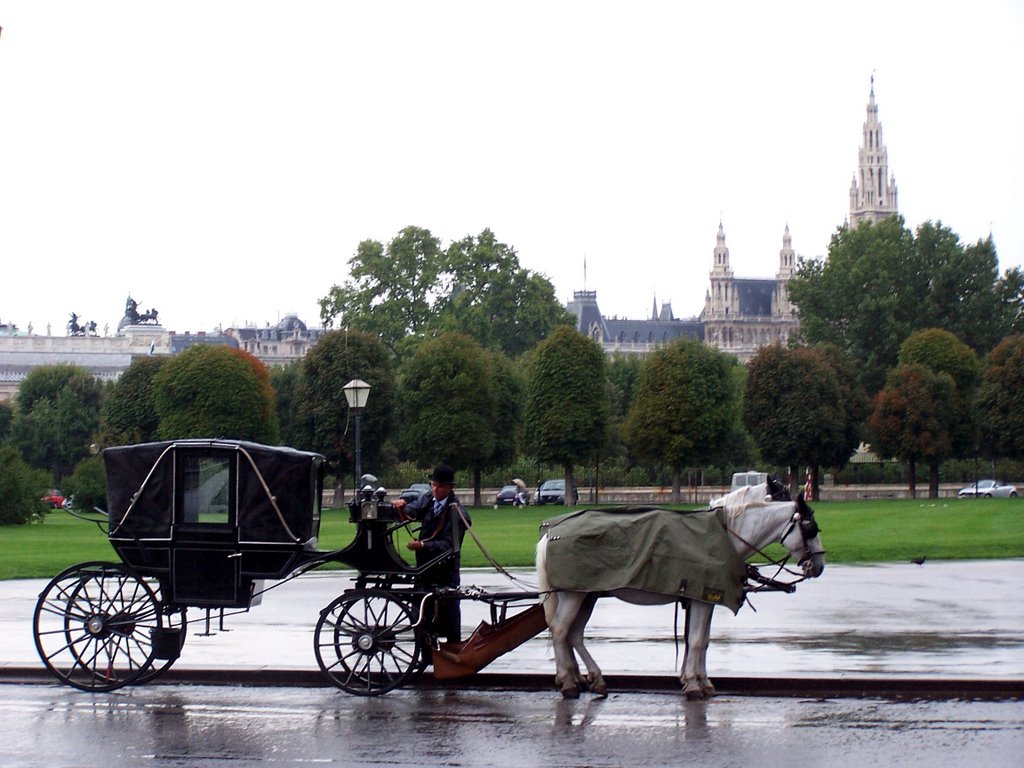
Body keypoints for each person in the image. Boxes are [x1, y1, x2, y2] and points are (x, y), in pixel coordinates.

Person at [392, 464, 470, 643]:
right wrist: (399, 506)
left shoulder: (457, 511)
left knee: (449, 614)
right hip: (424, 570)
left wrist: (422, 546)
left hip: (445, 572)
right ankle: (425, 655)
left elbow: (449, 545)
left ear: (450, 488)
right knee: (421, 613)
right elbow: (411, 511)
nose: (435, 489)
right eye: (433, 485)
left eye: (440, 486)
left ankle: (452, 655)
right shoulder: (427, 499)